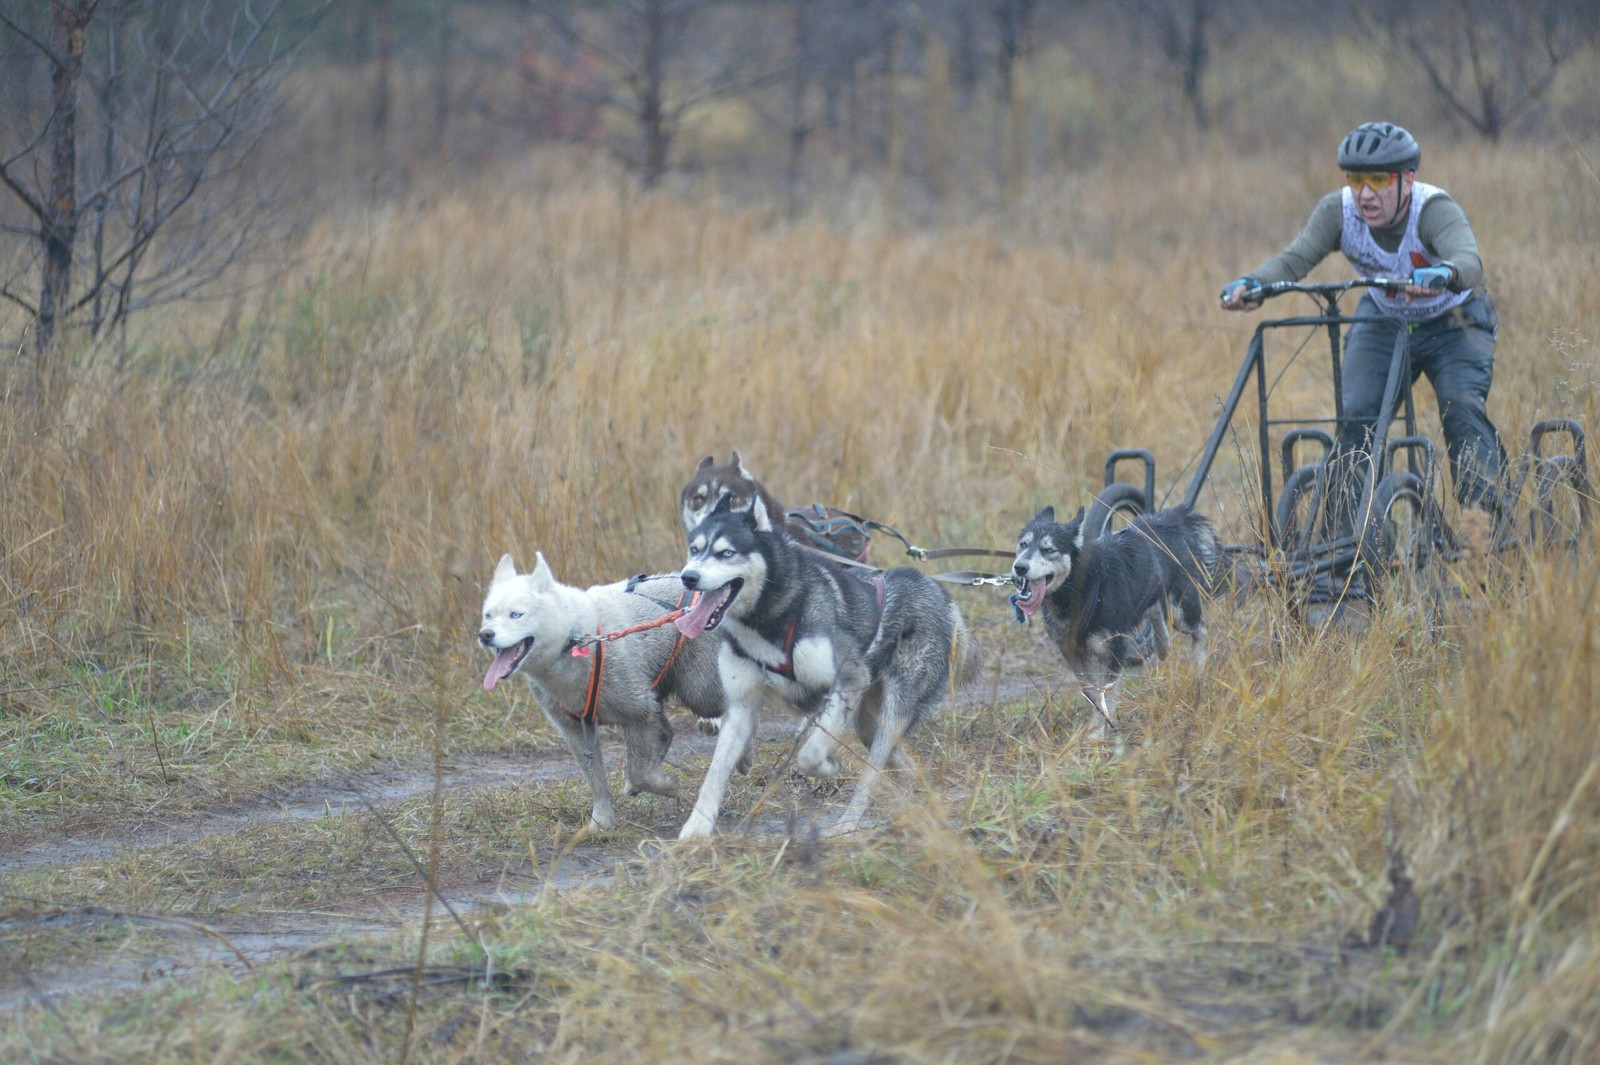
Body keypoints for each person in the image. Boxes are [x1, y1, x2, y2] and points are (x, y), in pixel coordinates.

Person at [1221, 121, 1505, 520]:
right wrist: (1254, 283)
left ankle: (1486, 528)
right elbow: (1294, 259)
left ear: (1407, 179)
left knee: (1460, 407)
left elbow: (1469, 262)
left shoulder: (1433, 209)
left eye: (1378, 180)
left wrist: (1445, 275)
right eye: (1356, 180)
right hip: (1385, 319)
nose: (1365, 194)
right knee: (1357, 414)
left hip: (1453, 322)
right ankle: (1348, 542)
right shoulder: (1338, 211)